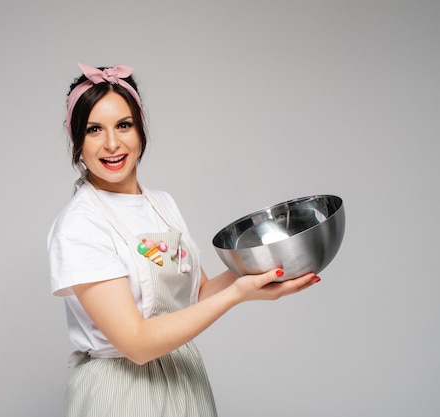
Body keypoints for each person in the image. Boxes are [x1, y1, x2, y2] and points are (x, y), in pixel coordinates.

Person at [47, 63, 320, 417]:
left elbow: (197, 296)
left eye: (123, 125)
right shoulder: (80, 225)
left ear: (140, 129)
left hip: (184, 380)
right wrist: (238, 294)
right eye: (94, 129)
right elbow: (136, 344)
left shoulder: (161, 203)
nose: (112, 143)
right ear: (77, 140)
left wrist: (264, 264)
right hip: (122, 393)